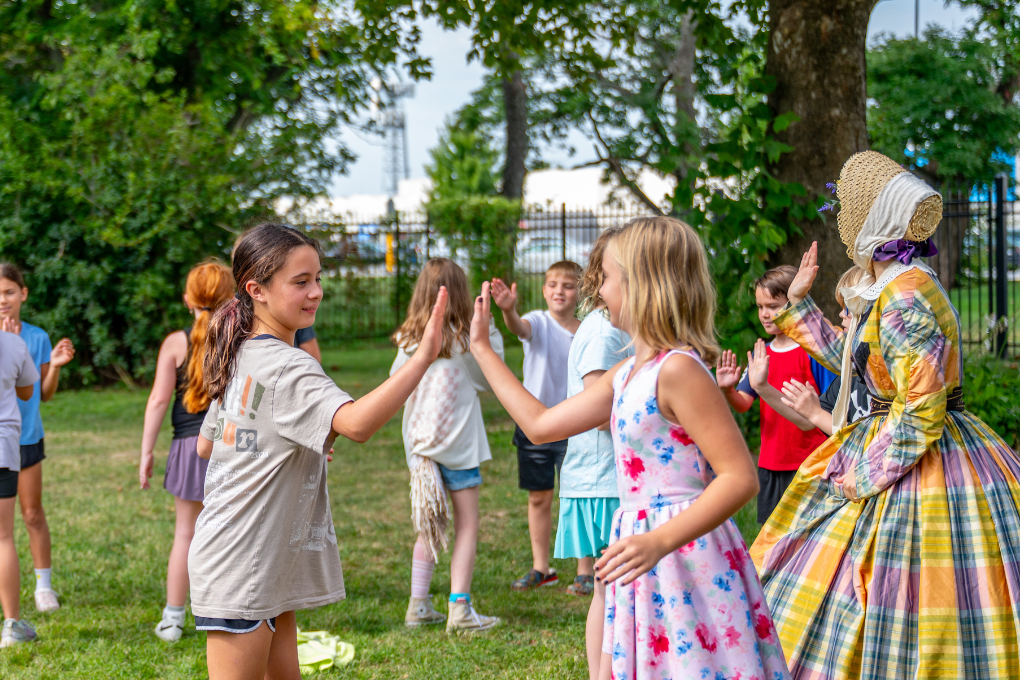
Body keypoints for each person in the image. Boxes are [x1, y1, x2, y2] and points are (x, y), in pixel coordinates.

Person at [468, 217, 790, 680]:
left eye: (608, 278)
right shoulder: (625, 374)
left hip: (686, 555)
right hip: (637, 547)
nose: (597, 291)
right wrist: (483, 350)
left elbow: (738, 476)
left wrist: (658, 540)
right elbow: (540, 426)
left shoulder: (679, 371)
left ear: (644, 286)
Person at [750, 150, 1020, 680]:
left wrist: (864, 475)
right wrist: (799, 305)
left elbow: (920, 410)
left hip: (915, 455)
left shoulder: (903, 298)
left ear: (873, 220)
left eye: (851, 208)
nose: (843, 219)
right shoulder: (896, 286)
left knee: (910, 591)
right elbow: (861, 365)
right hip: (892, 434)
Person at [190, 222, 448, 680]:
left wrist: (284, 445)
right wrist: (422, 357)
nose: (316, 292)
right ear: (257, 289)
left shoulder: (240, 351)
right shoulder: (290, 365)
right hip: (242, 564)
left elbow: (207, 444)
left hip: (258, 561)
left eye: (318, 278)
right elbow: (358, 425)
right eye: (301, 281)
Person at [391, 258, 505, 634]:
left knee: (428, 527)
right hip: (458, 449)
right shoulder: (465, 343)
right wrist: (489, 333)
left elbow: (397, 386)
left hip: (421, 451)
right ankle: (459, 608)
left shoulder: (408, 341)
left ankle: (418, 604)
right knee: (467, 525)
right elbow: (491, 379)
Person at [552, 228, 633, 679]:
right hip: (606, 482)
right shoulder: (603, 332)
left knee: (611, 592)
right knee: (611, 592)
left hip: (609, 480)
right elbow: (598, 411)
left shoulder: (612, 327)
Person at [139, 261, 234, 642]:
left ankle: (173, 618)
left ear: (187, 300)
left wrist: (146, 452)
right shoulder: (239, 336)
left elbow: (159, 399)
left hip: (185, 449)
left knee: (185, 535)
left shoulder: (174, 342)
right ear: (232, 297)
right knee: (232, 534)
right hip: (232, 447)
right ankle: (229, 614)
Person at [715, 266, 836, 524]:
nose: (765, 314)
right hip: (771, 463)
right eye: (760, 307)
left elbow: (827, 412)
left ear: (795, 304)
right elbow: (743, 403)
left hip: (810, 462)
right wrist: (727, 389)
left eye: (773, 306)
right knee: (771, 542)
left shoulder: (815, 352)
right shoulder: (761, 353)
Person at [491, 261, 582, 591]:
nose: (560, 290)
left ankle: (586, 571)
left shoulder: (587, 331)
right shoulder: (537, 321)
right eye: (553, 284)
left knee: (578, 498)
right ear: (544, 291)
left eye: (568, 285)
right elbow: (519, 328)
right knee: (539, 498)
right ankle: (541, 569)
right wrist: (507, 311)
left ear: (579, 292)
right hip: (533, 428)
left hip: (576, 426)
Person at [0, 264, 76, 614]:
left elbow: (41, 395)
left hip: (26, 439)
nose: (3, 300)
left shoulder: (37, 337)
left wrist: (56, 365)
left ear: (23, 294)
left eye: (9, 292)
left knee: (31, 514)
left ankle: (43, 586)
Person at [779, 266, 872, 436]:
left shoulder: (887, 374)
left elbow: (871, 445)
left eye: (848, 308)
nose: (841, 314)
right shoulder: (848, 375)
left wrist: (816, 414)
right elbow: (809, 420)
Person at [0, 328, 40, 647]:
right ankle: (11, 625)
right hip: (3, 449)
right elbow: (26, 391)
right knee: (3, 537)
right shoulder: (13, 342)